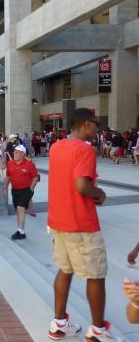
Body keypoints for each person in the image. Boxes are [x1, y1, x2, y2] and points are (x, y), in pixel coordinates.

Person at [47, 108, 121, 341]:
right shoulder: (84, 149)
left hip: (58, 221)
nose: (97, 129)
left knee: (64, 270)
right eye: (96, 124)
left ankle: (59, 324)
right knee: (96, 275)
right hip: (81, 223)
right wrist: (99, 193)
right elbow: (81, 185)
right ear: (86, 123)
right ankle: (98, 330)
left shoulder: (56, 147)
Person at [2, 145, 38, 240]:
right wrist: (5, 188)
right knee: (18, 211)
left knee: (20, 208)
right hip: (15, 190)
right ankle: (21, 231)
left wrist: (31, 189)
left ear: (23, 154)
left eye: (18, 152)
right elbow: (8, 177)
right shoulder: (10, 164)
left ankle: (20, 231)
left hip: (26, 190)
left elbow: (35, 177)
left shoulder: (29, 164)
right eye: (15, 152)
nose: (15, 153)